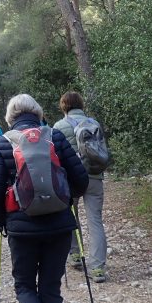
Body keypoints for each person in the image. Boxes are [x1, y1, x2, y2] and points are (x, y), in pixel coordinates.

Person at [0, 94, 89, 303]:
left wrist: (2, 221)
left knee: (25, 286)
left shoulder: (2, 142)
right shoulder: (55, 136)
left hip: (21, 228)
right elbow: (81, 180)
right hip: (59, 224)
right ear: (37, 113)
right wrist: (64, 199)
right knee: (50, 288)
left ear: (10, 116)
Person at [53, 91, 108, 283]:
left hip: (71, 179)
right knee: (95, 221)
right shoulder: (94, 124)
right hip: (94, 176)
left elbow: (55, 156)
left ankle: (75, 254)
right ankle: (98, 268)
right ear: (81, 105)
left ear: (63, 106)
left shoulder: (59, 126)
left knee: (70, 216)